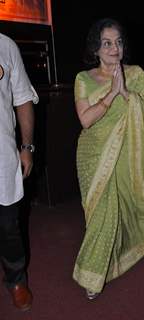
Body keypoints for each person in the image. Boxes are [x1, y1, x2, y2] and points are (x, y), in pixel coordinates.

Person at [72, 18, 144, 300]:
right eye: (106, 43)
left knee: (123, 208)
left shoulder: (135, 74)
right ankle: (92, 274)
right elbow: (86, 120)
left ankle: (113, 261)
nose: (114, 48)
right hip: (93, 155)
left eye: (118, 42)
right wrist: (113, 94)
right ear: (96, 49)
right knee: (101, 215)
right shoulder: (84, 78)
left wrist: (126, 92)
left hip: (128, 154)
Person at [0, 32, 38, 311]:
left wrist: (27, 146)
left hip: (2, 156)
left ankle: (15, 280)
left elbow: (22, 98)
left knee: (8, 226)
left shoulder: (6, 45)